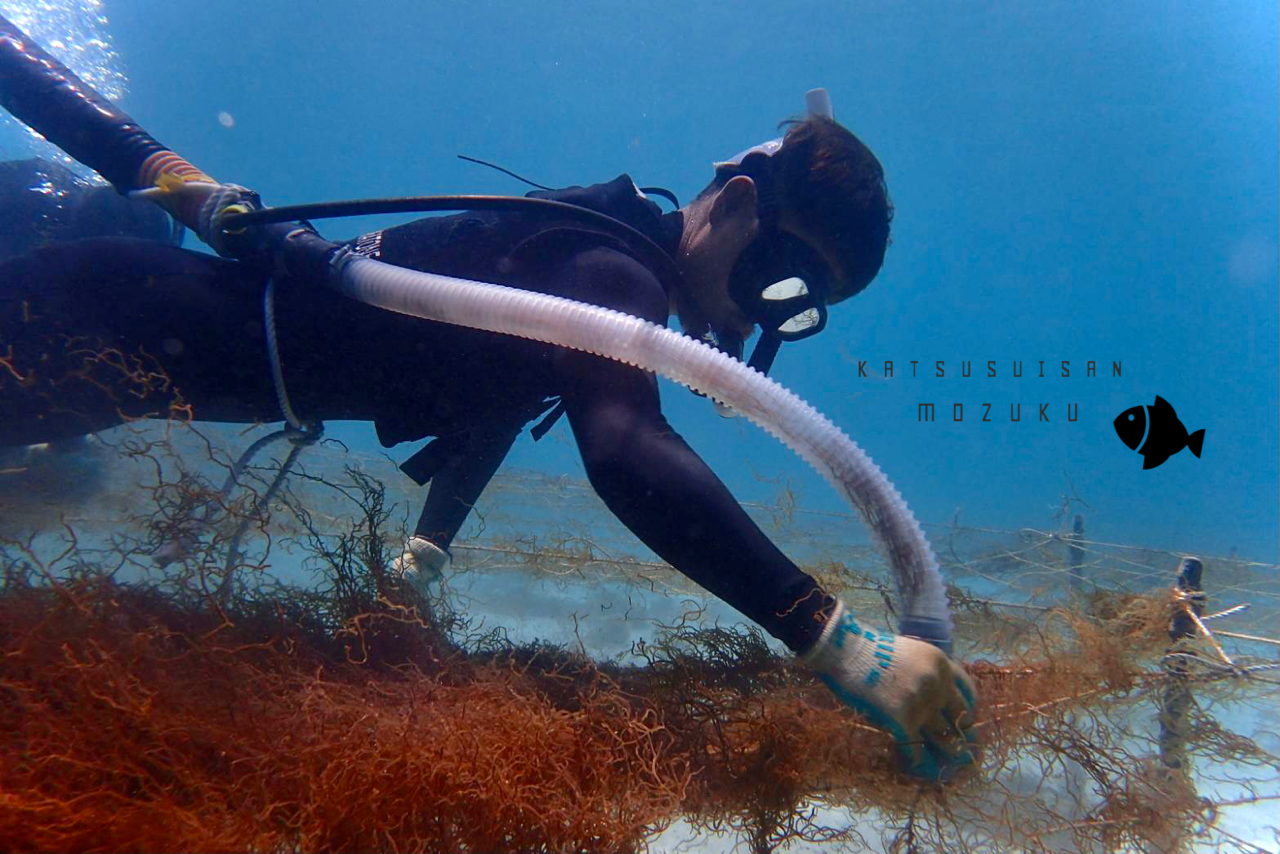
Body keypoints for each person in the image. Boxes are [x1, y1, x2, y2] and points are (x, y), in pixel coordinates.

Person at [0, 101, 976, 779]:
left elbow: (498, 398)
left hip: (122, 348)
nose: (765, 319)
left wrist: (431, 545)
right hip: (98, 321)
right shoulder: (610, 269)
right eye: (778, 280)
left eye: (801, 311)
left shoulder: (595, 272)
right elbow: (624, 444)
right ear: (733, 198)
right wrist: (829, 635)